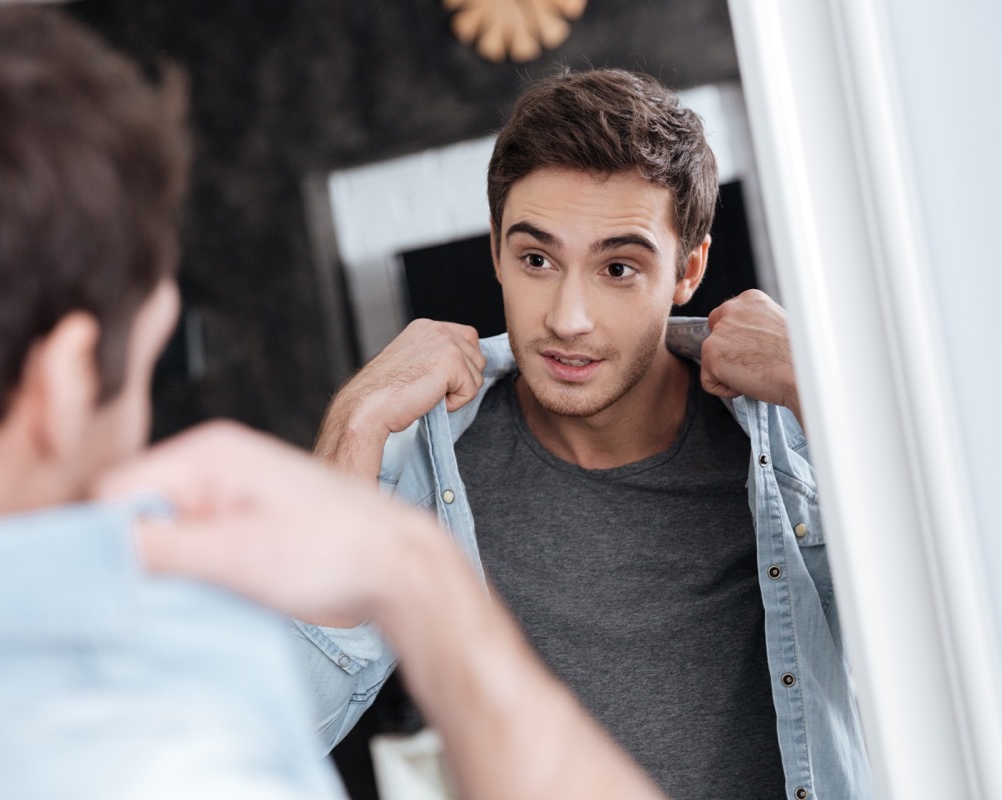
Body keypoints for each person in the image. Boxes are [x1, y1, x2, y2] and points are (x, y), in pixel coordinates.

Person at [0, 5, 662, 798]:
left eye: (619, 268)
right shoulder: (148, 744)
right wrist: (418, 573)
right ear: (67, 383)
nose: (569, 316)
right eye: (154, 351)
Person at [311, 68, 875, 799]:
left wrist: (816, 386)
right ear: (496, 254)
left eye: (618, 267)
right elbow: (271, 723)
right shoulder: (422, 469)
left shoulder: (788, 439)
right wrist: (353, 418)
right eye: (537, 260)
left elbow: (937, 649)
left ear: (688, 269)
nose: (567, 317)